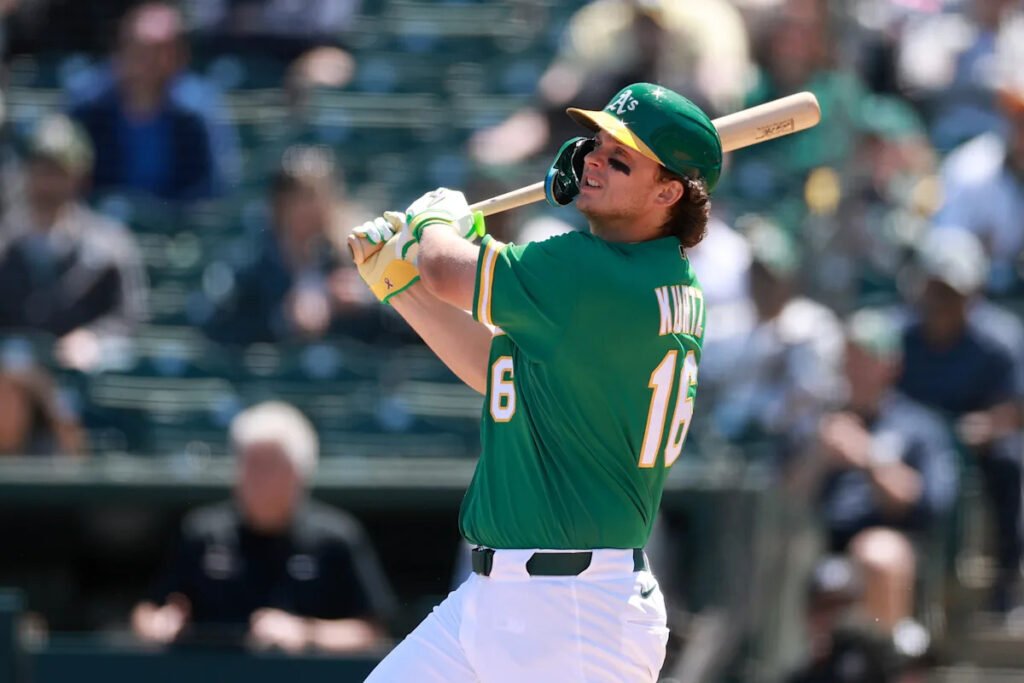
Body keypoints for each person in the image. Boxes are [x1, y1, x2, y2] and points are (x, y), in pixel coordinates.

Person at [352, 82, 721, 681]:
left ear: (667, 192)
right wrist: (402, 287)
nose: (594, 160)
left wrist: (434, 221)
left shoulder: (591, 272)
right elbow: (499, 372)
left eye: (621, 159)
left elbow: (445, 267)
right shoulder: (650, 277)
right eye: (597, 145)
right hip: (504, 600)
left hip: (572, 613)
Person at [131, 401, 395, 653]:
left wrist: (305, 633)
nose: (255, 477)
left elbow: (373, 632)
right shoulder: (202, 532)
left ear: (299, 472)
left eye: (268, 466)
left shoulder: (337, 537)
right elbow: (148, 611)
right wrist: (160, 623)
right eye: (249, 463)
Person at [792, 308, 958, 631]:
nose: (854, 368)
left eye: (865, 358)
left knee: (876, 554)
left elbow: (929, 504)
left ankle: (882, 657)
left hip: (892, 540)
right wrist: (817, 457)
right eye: (849, 358)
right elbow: (786, 498)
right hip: (818, 539)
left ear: (891, 366)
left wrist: (866, 455)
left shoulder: (919, 426)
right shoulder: (822, 423)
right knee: (775, 549)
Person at [898, 227, 1024, 614]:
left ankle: (1006, 578)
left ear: (972, 294)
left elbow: (1013, 409)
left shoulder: (999, 341)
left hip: (975, 445)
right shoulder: (903, 338)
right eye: (935, 289)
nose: (941, 301)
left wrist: (985, 427)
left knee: (1010, 460)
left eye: (951, 292)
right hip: (914, 444)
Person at [0, 114, 148, 372]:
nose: (47, 182)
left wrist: (95, 338)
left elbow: (129, 316)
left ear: (79, 176)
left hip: (80, 376)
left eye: (57, 172)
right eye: (39, 169)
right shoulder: (4, 240)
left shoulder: (109, 243)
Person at [200, 145, 377, 345]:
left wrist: (366, 302)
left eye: (321, 195)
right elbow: (218, 330)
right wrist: (283, 320)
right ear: (281, 204)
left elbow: (397, 330)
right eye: (304, 197)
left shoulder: (352, 255)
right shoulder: (249, 263)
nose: (314, 208)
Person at [68, 2, 240, 202]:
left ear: (179, 56)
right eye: (134, 48)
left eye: (157, 52)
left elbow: (211, 187)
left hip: (179, 218)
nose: (143, 62)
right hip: (98, 217)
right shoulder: (87, 104)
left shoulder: (199, 112)